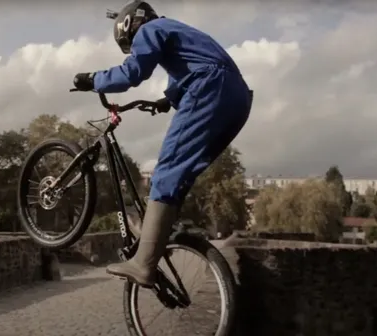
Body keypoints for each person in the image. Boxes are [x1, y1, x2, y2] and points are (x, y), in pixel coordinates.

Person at [71, 0, 253, 287]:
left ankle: (143, 263)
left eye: (131, 43)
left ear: (130, 26)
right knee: (182, 173)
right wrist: (168, 99)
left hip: (210, 89)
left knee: (166, 171)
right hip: (238, 98)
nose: (135, 46)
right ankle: (162, 231)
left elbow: (132, 73)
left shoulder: (150, 29)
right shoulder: (176, 29)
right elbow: (199, 66)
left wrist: (93, 80)